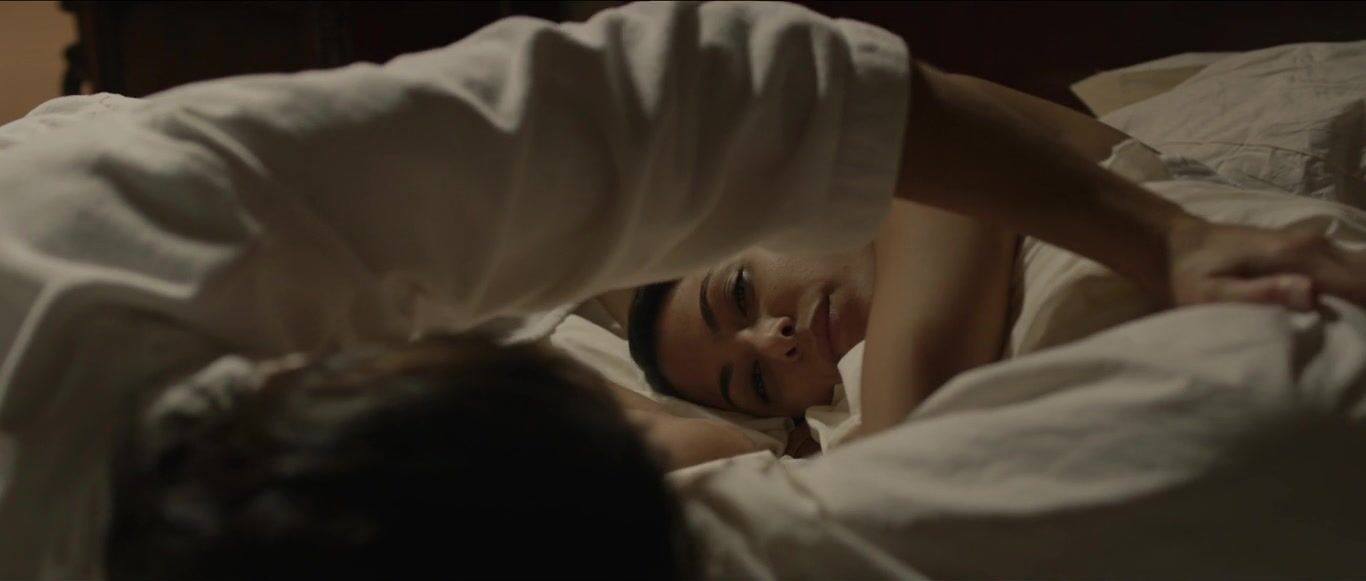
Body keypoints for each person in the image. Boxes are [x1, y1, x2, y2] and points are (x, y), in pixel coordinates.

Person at [2, 1, 1365, 579]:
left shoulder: (141, 226)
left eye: (735, 295)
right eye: (753, 376)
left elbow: (744, 104)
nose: (777, 339)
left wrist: (1148, 234)